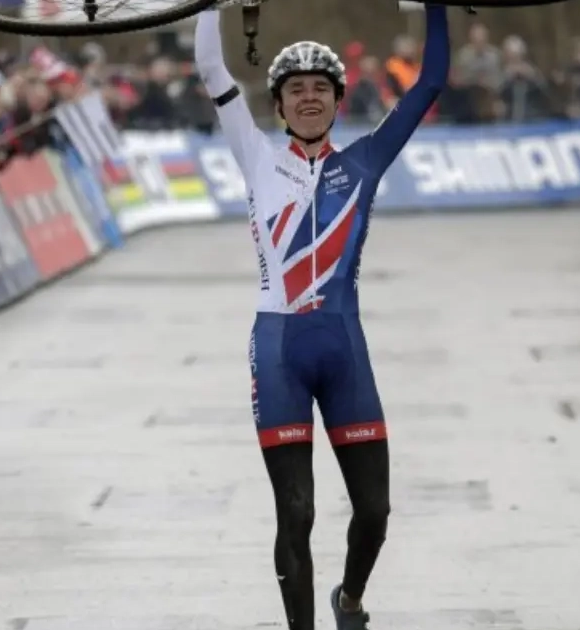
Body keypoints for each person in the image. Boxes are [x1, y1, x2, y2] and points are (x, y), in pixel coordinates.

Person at [193, 4, 449, 630]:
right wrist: (210, 6)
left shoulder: (364, 161)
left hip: (343, 348)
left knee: (375, 513)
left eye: (319, 88)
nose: (308, 98)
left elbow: (431, 82)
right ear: (279, 105)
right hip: (279, 347)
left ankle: (350, 600)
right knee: (297, 513)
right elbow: (211, 67)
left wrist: (435, 6)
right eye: (295, 90)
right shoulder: (256, 156)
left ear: (338, 100)